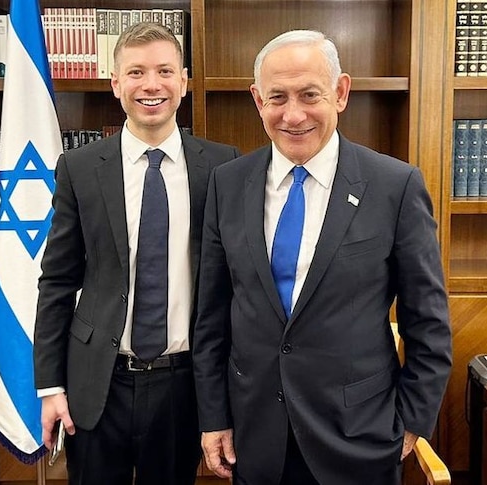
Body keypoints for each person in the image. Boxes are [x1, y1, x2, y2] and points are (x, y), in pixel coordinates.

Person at [192, 30, 452, 485]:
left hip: (360, 437)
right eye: (277, 97)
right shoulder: (227, 184)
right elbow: (212, 315)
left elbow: (427, 322)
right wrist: (214, 417)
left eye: (310, 94)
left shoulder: (395, 186)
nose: (293, 115)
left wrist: (410, 424)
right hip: (256, 436)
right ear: (257, 99)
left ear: (340, 92)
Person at [33, 22, 240, 485]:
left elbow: (235, 282)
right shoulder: (80, 168)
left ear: (183, 82)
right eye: (136, 72)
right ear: (116, 84)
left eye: (165, 71)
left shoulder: (223, 166)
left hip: (183, 384)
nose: (151, 84)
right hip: (97, 382)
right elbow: (57, 281)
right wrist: (51, 386)